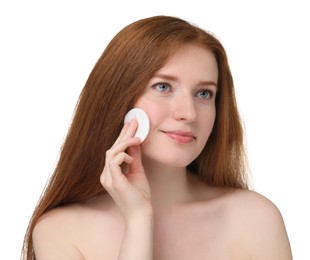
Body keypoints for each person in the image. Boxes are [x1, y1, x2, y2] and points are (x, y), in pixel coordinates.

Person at [21, 15, 292, 259]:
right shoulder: (60, 232)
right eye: (163, 86)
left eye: (204, 93)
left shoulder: (255, 219)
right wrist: (139, 220)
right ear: (118, 99)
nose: (188, 113)